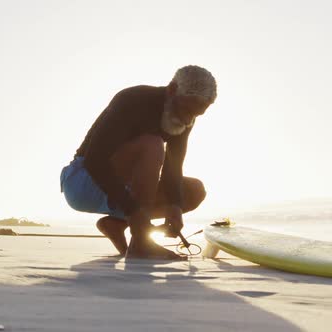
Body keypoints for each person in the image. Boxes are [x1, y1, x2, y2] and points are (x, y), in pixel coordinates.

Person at [60, 65, 216, 260]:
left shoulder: (185, 118)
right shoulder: (134, 100)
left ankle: (117, 224)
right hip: (83, 182)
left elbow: (173, 168)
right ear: (172, 89)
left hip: (121, 191)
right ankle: (141, 242)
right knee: (152, 144)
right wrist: (133, 211)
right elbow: (95, 161)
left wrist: (174, 207)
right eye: (186, 109)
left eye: (196, 114)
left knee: (193, 191)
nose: (188, 119)